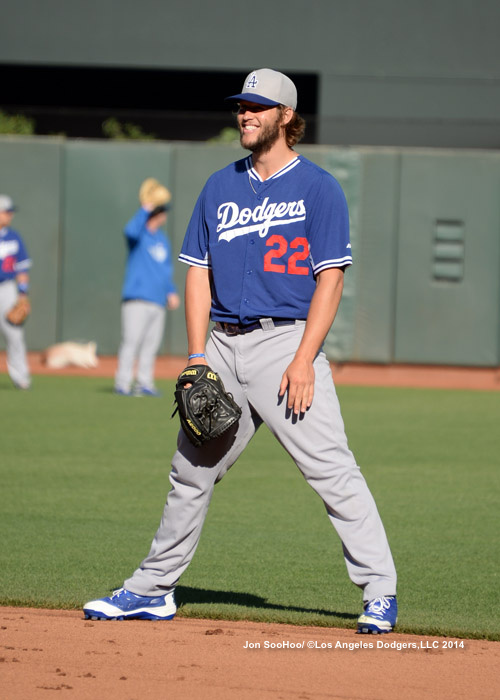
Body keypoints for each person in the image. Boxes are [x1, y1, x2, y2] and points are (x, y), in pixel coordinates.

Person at [85, 69, 398, 634]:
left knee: (331, 472)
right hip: (222, 348)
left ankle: (380, 592)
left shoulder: (319, 187)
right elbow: (199, 273)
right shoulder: (219, 186)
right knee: (190, 473)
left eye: (258, 106)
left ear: (286, 116)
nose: (245, 114)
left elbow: (330, 280)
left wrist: (304, 358)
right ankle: (152, 589)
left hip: (286, 346)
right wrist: (195, 354)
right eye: (241, 106)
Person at [114, 190, 180, 397]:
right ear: (155, 214)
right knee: (131, 341)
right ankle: (123, 383)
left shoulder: (162, 239)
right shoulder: (139, 234)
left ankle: (144, 382)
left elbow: (166, 269)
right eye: (161, 212)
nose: (164, 216)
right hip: (137, 298)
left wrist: (171, 291)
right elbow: (129, 231)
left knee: (151, 345)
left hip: (157, 300)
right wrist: (145, 208)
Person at [0, 194, 32, 390]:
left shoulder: (14, 237)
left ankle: (21, 377)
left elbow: (22, 269)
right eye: (7, 212)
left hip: (7, 289)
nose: (10, 215)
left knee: (14, 334)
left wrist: (22, 293)